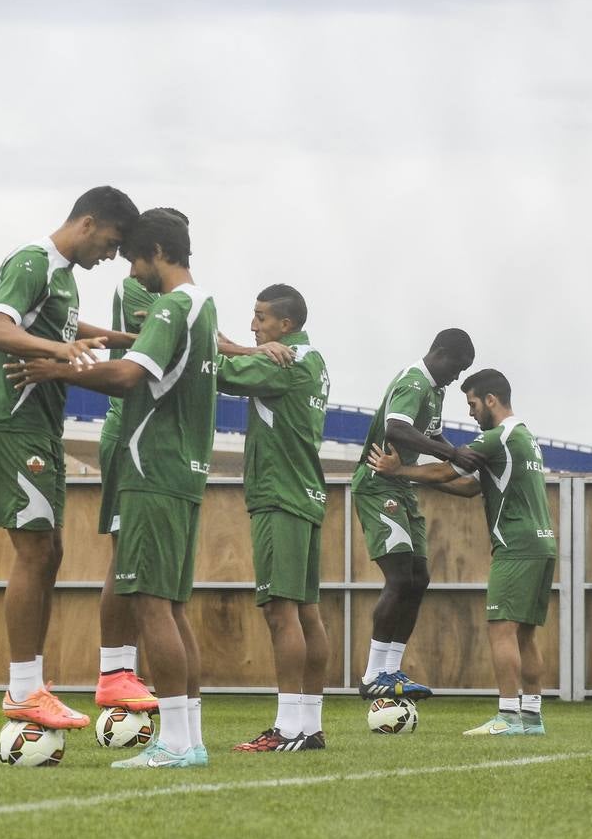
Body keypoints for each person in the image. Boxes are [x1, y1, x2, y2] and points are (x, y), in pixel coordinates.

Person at [7, 208, 217, 769]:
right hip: (185, 472)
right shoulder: (205, 304)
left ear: (156, 252)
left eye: (133, 258)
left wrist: (60, 372)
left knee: (150, 606)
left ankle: (172, 743)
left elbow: (128, 376)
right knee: (171, 609)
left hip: (152, 471)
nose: (130, 271)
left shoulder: (174, 305)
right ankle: (188, 739)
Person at [0, 187, 141, 731]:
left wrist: (121, 338)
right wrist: (58, 352)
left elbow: (67, 330)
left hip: (42, 429)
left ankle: (34, 685)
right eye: (112, 244)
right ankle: (23, 689)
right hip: (14, 423)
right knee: (33, 551)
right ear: (89, 223)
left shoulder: (65, 278)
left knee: (50, 552)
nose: (111, 258)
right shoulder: (32, 262)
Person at [368, 369, 554, 736]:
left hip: (515, 545)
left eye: (471, 403)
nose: (469, 412)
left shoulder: (496, 437)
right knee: (526, 635)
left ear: (490, 400)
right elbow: (471, 488)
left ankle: (508, 717)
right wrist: (409, 477)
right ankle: (532, 717)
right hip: (543, 543)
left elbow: (442, 471)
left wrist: (398, 469)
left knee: (501, 630)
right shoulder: (527, 438)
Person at [217, 285, 332, 752]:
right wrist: (249, 346)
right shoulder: (314, 360)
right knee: (305, 611)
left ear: (285, 326)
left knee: (280, 611)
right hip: (304, 493)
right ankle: (310, 725)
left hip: (279, 494)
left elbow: (219, 372)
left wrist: (191, 330)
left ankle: (288, 729)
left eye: (261, 318)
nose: (253, 325)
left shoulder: (281, 362)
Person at [350, 330, 484, 700]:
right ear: (440, 354)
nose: (456, 377)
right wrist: (454, 457)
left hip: (401, 485)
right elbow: (397, 428)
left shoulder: (436, 391)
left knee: (418, 577)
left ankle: (392, 670)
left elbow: (434, 437)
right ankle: (373, 674)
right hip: (378, 482)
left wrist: (458, 454)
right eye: (457, 367)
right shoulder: (414, 381)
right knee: (399, 575)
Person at [93, 275, 158, 714]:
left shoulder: (174, 301)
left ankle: (128, 672)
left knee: (146, 562)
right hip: (127, 435)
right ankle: (114, 672)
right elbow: (193, 340)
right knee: (126, 557)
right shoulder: (136, 286)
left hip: (152, 439)